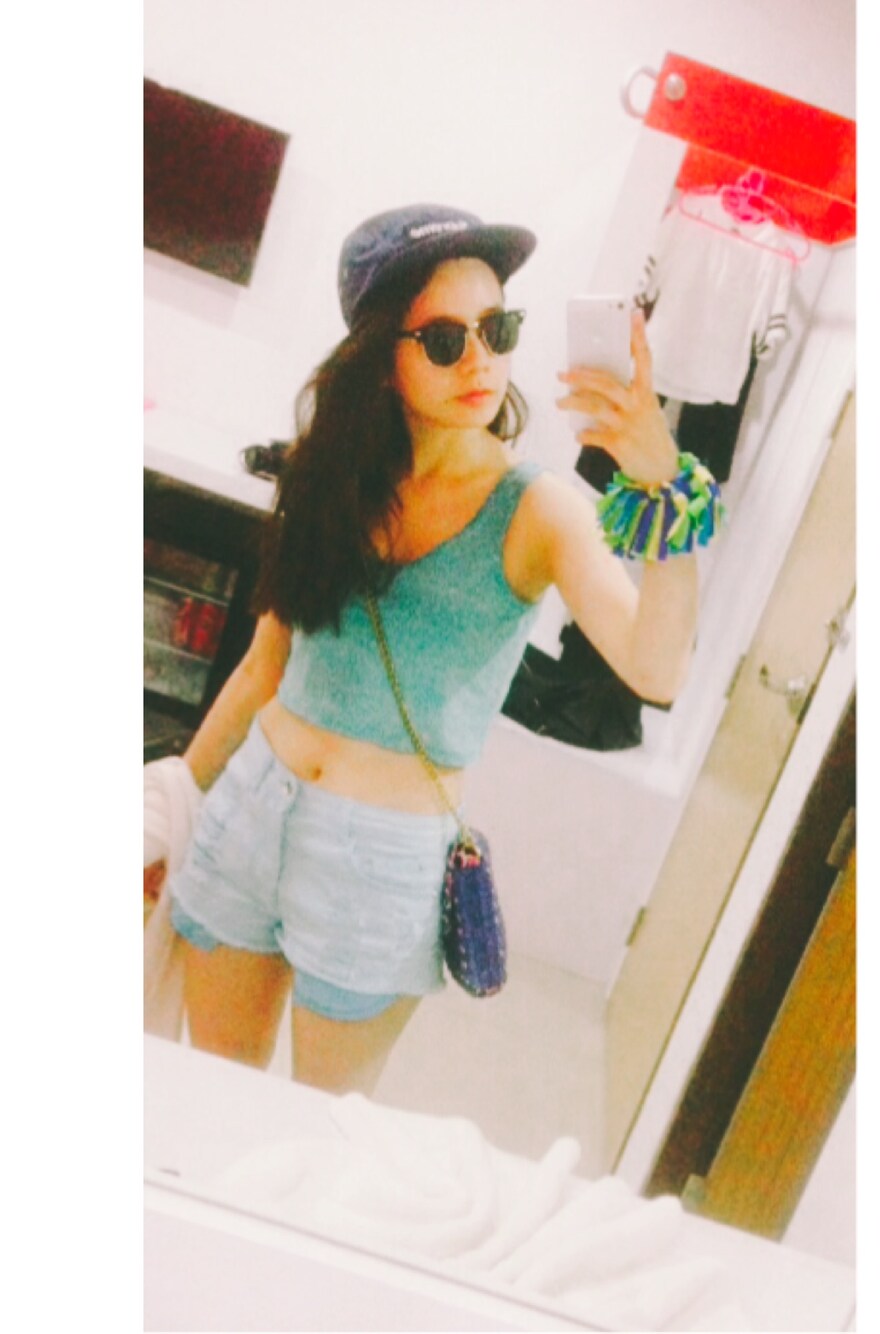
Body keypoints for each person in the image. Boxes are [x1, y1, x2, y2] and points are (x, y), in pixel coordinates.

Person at [154, 203, 707, 1096]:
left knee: (321, 1129)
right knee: (215, 1095)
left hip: (380, 861)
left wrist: (663, 480)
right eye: (446, 341)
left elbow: (658, 668)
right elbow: (264, 666)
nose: (481, 361)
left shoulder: (537, 509)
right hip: (251, 808)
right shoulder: (329, 476)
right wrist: (171, 803)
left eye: (498, 330)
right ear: (382, 357)